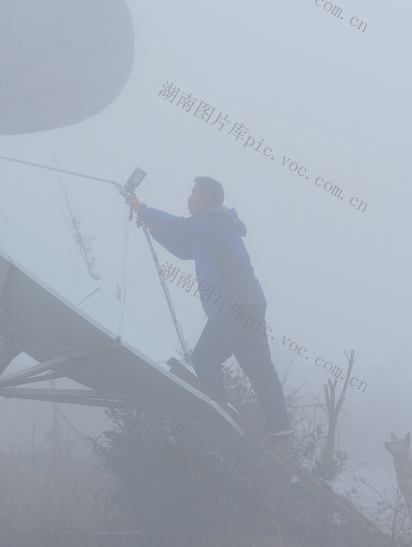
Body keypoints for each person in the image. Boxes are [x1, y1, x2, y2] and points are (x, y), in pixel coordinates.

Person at [124, 176, 293, 439]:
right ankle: (276, 422)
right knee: (248, 363)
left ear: (208, 198)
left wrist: (141, 208)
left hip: (238, 306)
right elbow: (183, 248)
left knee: (215, 359)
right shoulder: (208, 230)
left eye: (194, 193)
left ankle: (228, 414)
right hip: (240, 306)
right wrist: (153, 228)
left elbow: (181, 227)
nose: (188, 197)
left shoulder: (214, 222)